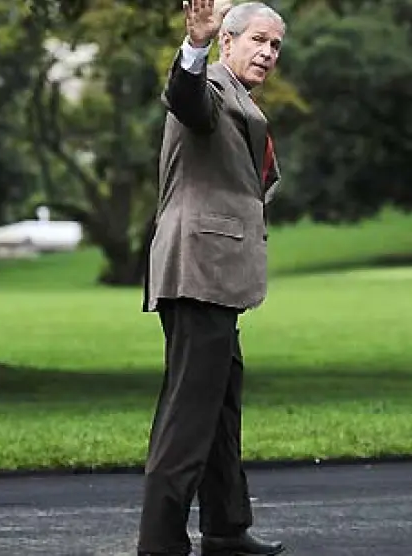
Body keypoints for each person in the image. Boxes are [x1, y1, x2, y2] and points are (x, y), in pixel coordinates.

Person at [137, 1, 287, 555]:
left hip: (218, 276)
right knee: (189, 414)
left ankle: (225, 528)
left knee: (221, 410)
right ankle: (159, 542)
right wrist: (194, 45)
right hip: (198, 271)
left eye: (275, 45)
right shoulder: (211, 88)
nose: (268, 53)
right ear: (228, 41)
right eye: (258, 40)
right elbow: (184, 96)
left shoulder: (241, 99)